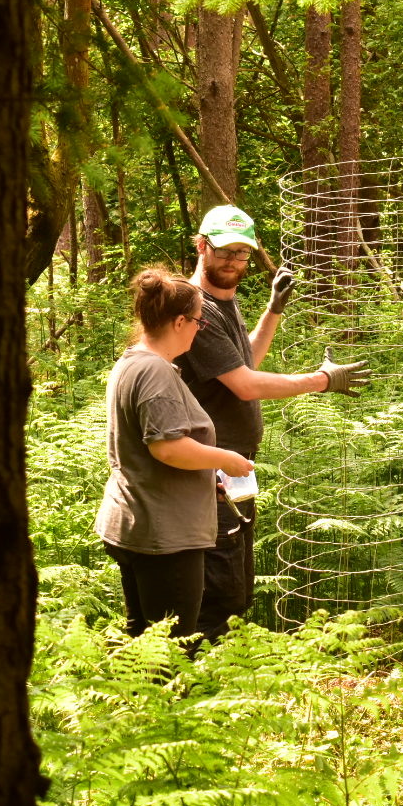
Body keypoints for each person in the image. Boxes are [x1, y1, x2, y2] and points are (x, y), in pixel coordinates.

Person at [176, 205, 371, 640]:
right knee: (218, 593)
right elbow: (245, 385)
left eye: (242, 254)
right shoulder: (197, 309)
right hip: (208, 471)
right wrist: (322, 380)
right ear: (202, 246)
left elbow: (244, 360)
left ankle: (212, 687)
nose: (233, 262)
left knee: (235, 590)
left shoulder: (224, 303)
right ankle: (192, 692)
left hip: (235, 467)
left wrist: (273, 309)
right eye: (225, 252)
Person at [96, 268, 255, 642]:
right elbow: (166, 447)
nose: (200, 329)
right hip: (164, 534)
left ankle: (132, 702)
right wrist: (225, 459)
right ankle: (168, 702)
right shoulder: (154, 373)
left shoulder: (133, 362)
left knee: (142, 642)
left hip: (139, 520)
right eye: (198, 320)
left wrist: (206, 478)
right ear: (180, 321)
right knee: (173, 645)